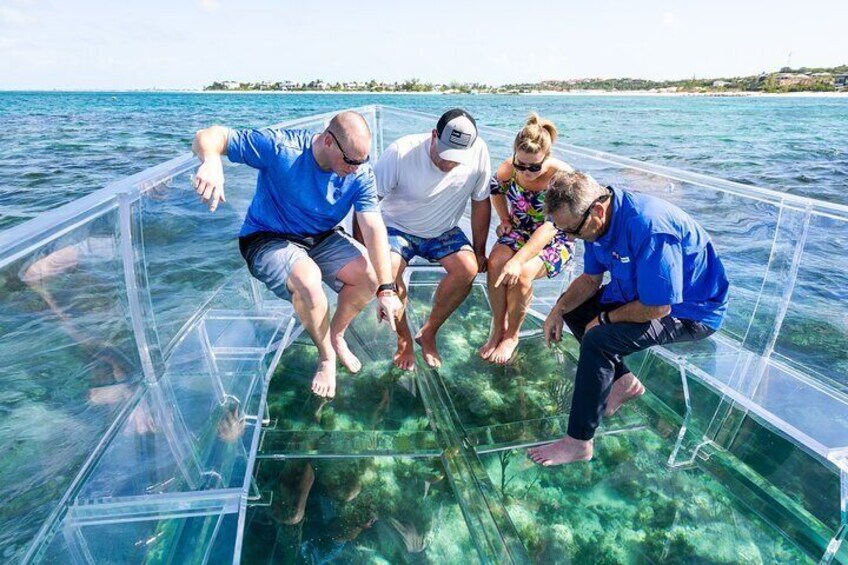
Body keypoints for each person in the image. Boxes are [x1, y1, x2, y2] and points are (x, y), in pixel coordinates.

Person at [192, 111, 403, 399]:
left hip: (321, 237)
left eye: (362, 161)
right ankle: (326, 356)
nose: (356, 169)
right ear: (328, 141)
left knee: (369, 276)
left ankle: (336, 334)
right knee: (308, 279)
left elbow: (373, 228)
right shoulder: (280, 148)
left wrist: (387, 289)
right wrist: (212, 160)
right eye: (351, 161)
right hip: (268, 236)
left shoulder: (360, 174)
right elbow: (210, 136)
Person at [528, 171, 729, 466]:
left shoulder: (648, 227)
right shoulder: (595, 223)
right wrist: (557, 310)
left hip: (691, 311)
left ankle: (579, 442)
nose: (570, 238)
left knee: (598, 339)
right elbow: (589, 280)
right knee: (573, 308)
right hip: (639, 293)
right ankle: (622, 382)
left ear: (597, 210)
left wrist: (606, 319)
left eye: (572, 231)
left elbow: (659, 307)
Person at [368, 108, 492, 369]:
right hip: (396, 227)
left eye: (457, 158)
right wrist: (365, 252)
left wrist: (479, 251)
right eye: (446, 155)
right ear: (434, 135)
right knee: (388, 273)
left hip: (443, 229)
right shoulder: (401, 152)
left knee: (468, 269)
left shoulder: (479, 151)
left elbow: (481, 202)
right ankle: (404, 340)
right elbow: (367, 206)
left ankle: (429, 331)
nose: (449, 163)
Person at [479, 113, 574, 364]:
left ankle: (512, 335)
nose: (527, 171)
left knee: (521, 274)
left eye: (534, 167)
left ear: (547, 157)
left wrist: (518, 260)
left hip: (554, 237)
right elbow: (496, 191)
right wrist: (505, 220)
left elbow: (551, 226)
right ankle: (498, 326)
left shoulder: (561, 178)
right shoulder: (508, 168)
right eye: (521, 165)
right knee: (496, 262)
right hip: (520, 230)